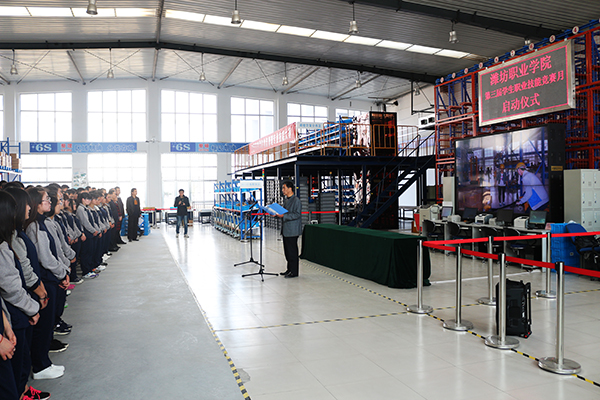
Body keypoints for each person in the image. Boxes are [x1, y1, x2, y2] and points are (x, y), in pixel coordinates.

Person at [275, 180, 302, 278]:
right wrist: (276, 214)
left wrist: (284, 216)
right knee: (287, 251)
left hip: (292, 230)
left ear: (290, 189)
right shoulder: (287, 200)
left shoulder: (296, 201)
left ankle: (294, 272)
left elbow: (297, 214)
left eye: (284, 188)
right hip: (286, 230)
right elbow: (284, 213)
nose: (282, 190)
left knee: (292, 252)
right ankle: (289, 269)